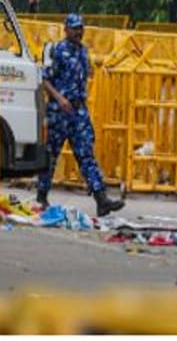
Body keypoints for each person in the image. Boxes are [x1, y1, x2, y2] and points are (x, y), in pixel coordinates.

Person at [37, 14, 124, 217]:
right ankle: (41, 196)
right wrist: (59, 99)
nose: (78, 32)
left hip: (78, 111)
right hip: (59, 111)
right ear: (66, 29)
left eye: (80, 28)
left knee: (86, 154)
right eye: (75, 28)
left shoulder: (83, 52)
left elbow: (86, 75)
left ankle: (101, 199)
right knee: (51, 155)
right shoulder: (57, 50)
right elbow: (44, 79)